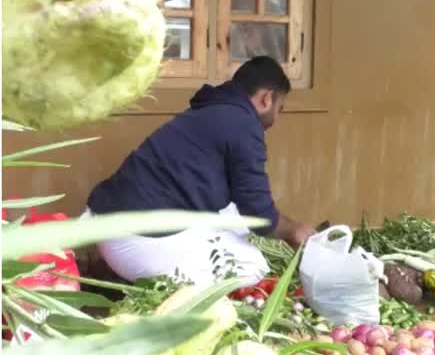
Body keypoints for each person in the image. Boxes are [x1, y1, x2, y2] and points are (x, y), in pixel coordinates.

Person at [84, 56, 316, 284]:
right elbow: (258, 213)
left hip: (113, 226)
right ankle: (172, 297)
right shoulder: (243, 123)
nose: (277, 117)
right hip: (138, 242)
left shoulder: (213, 111)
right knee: (252, 266)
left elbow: (245, 203)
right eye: (280, 108)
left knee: (232, 214)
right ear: (267, 98)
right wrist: (294, 230)